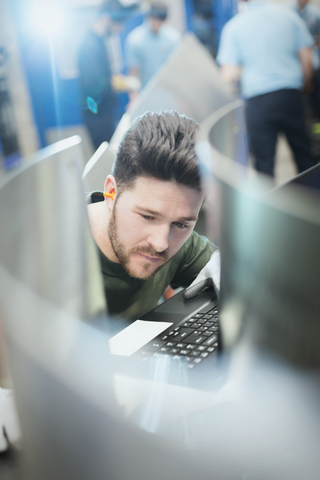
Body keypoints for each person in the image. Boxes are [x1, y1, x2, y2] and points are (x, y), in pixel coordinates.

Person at [87, 110, 220, 320]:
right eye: (148, 217)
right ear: (111, 193)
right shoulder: (53, 252)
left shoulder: (179, 241)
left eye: (180, 224)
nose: (160, 244)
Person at [217, 0, 317, 178]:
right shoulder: (290, 17)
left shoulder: (234, 26)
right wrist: (305, 87)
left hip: (258, 101)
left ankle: (268, 205)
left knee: (264, 164)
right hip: (291, 95)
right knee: (305, 157)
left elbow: (229, 75)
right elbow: (307, 59)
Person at [78, 1, 133, 149]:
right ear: (106, 19)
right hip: (98, 119)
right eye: (118, 23)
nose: (120, 29)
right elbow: (94, 84)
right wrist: (123, 84)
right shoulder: (90, 45)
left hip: (105, 115)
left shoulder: (98, 42)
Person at [125, 2, 180, 96]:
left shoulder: (173, 38)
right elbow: (134, 71)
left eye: (160, 21)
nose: (156, 24)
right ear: (148, 17)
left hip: (168, 92)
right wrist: (133, 96)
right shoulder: (135, 39)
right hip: (145, 93)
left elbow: (175, 68)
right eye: (154, 19)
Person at [291, 0, 320, 119]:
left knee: (316, 99)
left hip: (314, 64)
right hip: (294, 66)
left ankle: (316, 129)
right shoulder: (288, 13)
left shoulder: (315, 13)